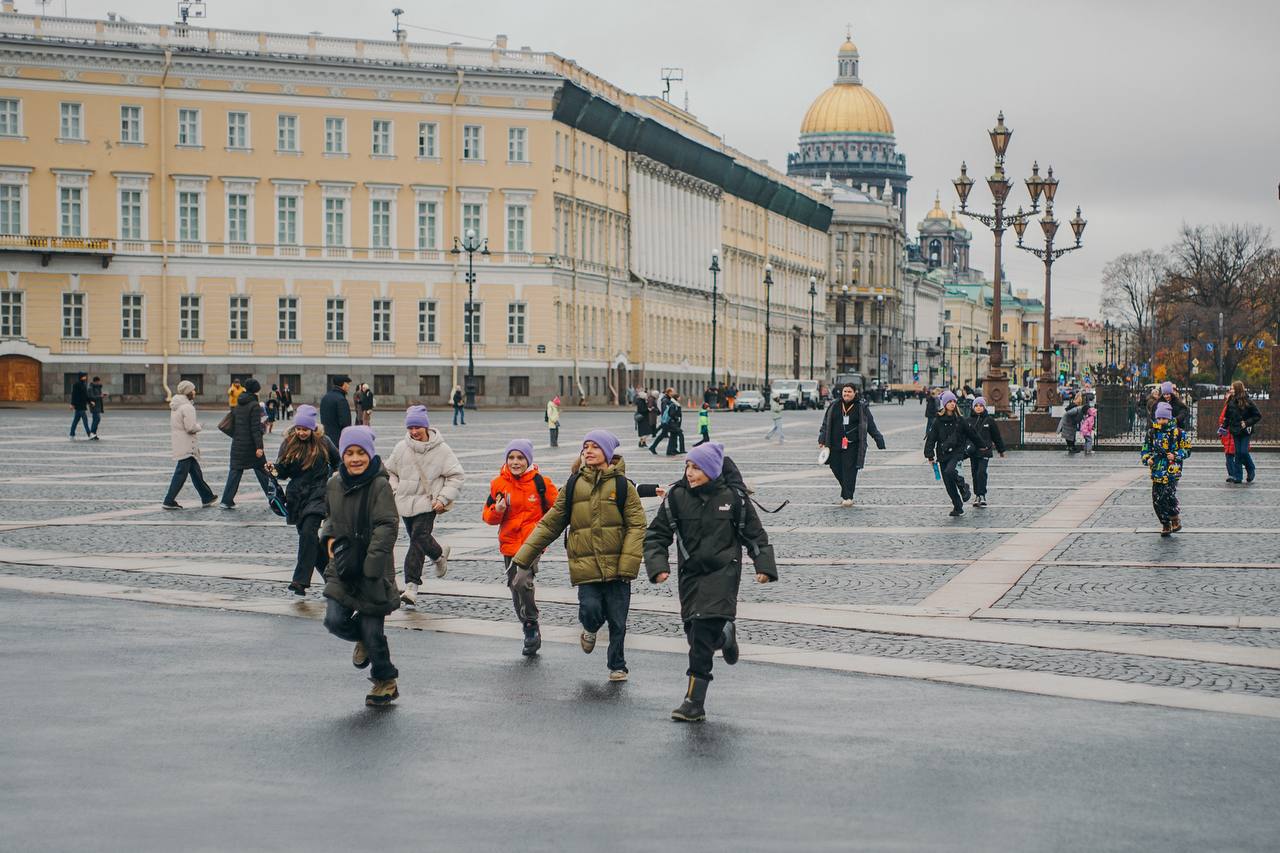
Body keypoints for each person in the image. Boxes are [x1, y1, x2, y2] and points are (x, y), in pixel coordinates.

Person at [644, 442, 777, 722]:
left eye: (696, 467)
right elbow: (656, 536)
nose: (689, 473)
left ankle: (694, 702)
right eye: (688, 467)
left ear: (712, 470)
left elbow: (755, 536)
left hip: (723, 574)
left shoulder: (734, 498)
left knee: (702, 638)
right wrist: (658, 567)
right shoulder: (676, 497)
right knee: (694, 632)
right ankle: (725, 636)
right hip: (690, 575)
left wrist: (763, 566)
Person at [513, 430, 646, 682]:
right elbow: (550, 523)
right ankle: (590, 628)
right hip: (585, 565)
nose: (588, 451)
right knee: (590, 609)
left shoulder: (623, 486)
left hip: (618, 566)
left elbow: (637, 525)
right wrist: (524, 556)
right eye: (586, 447)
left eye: (595, 447)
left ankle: (618, 665)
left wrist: (628, 563)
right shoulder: (573, 485)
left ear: (607, 452)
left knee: (618, 620)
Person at [320, 425, 402, 707]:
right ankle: (363, 640)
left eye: (361, 453)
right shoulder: (333, 484)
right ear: (342, 455)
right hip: (343, 564)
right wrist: (328, 538)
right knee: (333, 619)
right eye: (349, 453)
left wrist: (372, 565)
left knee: (372, 630)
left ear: (370, 454)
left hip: (373, 569)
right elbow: (329, 517)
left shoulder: (380, 485)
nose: (355, 459)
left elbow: (387, 525)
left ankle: (385, 681)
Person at [482, 439, 558, 656]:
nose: (515, 462)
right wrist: (497, 510)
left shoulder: (541, 483)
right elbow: (487, 516)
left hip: (532, 543)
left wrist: (544, 532)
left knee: (522, 581)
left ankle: (531, 621)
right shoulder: (498, 484)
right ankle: (527, 627)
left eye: (520, 458)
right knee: (514, 588)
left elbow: (557, 510)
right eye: (511, 457)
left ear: (528, 460)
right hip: (509, 544)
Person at [385, 405, 464, 605]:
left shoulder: (442, 450)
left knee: (418, 538)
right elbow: (389, 471)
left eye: (417, 427)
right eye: (410, 428)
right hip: (405, 502)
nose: (414, 432)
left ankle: (411, 586)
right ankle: (439, 555)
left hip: (429, 503)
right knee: (419, 539)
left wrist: (443, 498)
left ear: (426, 427)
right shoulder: (401, 448)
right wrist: (395, 490)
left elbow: (456, 475)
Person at [267, 404, 340, 595]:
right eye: (299, 428)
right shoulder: (289, 442)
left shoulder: (324, 441)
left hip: (319, 494)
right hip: (297, 497)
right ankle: (334, 579)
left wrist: (335, 475)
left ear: (313, 428)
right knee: (310, 540)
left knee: (308, 532)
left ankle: (300, 581)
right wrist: (274, 470)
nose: (301, 432)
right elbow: (283, 471)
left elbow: (338, 461)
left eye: (305, 429)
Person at [818, 384, 885, 507]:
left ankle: (848, 497)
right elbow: (825, 424)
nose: (846, 394)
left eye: (849, 392)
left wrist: (878, 439)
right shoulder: (834, 405)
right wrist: (822, 439)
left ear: (855, 393)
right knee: (835, 467)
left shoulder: (861, 407)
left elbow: (870, 425)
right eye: (845, 391)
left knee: (849, 471)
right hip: (834, 445)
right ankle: (846, 490)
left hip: (852, 446)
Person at [925, 390, 984, 517]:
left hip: (957, 453)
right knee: (948, 484)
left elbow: (972, 434)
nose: (952, 404)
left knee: (950, 471)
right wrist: (929, 454)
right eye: (949, 402)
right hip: (942, 453)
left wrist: (982, 446)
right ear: (944, 404)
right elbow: (931, 438)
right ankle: (958, 506)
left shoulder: (960, 420)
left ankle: (963, 486)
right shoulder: (938, 421)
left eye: (954, 401)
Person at [162, 380, 217, 509]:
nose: (195, 392)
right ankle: (169, 500)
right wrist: (199, 426)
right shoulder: (187, 407)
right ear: (188, 392)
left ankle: (207, 496)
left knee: (196, 472)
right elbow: (190, 427)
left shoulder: (176, 405)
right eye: (193, 390)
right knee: (180, 474)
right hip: (187, 444)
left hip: (180, 442)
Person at [219, 378, 272, 509]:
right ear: (256, 390)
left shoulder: (238, 404)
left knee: (235, 471)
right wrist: (259, 447)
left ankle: (226, 500)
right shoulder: (254, 405)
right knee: (262, 471)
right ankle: (274, 498)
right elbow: (255, 428)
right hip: (251, 446)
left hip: (238, 444)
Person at [1141, 401, 1191, 536]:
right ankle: (1165, 523)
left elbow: (1187, 450)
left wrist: (1176, 455)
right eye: (1159, 418)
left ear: (1169, 418)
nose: (1161, 421)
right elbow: (1145, 449)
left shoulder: (1179, 433)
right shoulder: (1152, 433)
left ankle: (1174, 517)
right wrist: (1147, 458)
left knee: (1168, 495)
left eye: (1164, 418)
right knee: (1157, 500)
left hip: (1172, 470)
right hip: (1157, 470)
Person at [965, 396, 1007, 508]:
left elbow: (996, 436)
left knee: (981, 472)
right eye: (976, 405)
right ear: (973, 407)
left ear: (984, 407)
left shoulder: (989, 420)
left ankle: (982, 494)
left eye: (981, 405)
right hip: (973, 452)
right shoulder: (968, 420)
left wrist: (1001, 450)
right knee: (975, 473)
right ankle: (977, 495)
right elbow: (964, 436)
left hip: (985, 451)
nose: (978, 407)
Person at [1223, 381, 1261, 484]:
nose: (1230, 390)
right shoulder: (1230, 401)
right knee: (1238, 453)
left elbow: (1257, 415)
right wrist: (1223, 427)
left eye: (1232, 388)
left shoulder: (1248, 401)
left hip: (1245, 431)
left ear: (1237, 389)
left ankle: (1251, 468)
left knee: (1243, 451)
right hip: (1235, 430)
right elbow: (1227, 417)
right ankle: (1238, 476)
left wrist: (1247, 423)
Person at [320, 375, 353, 442]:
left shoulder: (325, 397)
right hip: (338, 437)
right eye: (348, 384)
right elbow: (345, 422)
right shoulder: (341, 399)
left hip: (326, 436)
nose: (349, 386)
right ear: (344, 384)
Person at [69, 372, 92, 439]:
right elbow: (74, 395)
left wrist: (90, 402)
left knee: (75, 421)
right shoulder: (76, 384)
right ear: (81, 377)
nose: (85, 377)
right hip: (79, 405)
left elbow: (86, 395)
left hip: (82, 405)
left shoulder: (84, 384)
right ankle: (89, 434)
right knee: (85, 420)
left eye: (85, 376)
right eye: (84, 376)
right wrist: (72, 404)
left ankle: (71, 435)